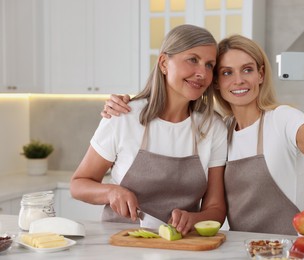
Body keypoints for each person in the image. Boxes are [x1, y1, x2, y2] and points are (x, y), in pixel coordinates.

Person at [101, 35, 304, 235]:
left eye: (247, 70)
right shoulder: (220, 130)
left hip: (287, 249)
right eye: (227, 72)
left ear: (260, 74)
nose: (238, 80)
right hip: (242, 249)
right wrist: (126, 103)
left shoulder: (281, 118)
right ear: (216, 82)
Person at [70, 24, 228, 236]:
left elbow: (216, 209)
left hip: (182, 245)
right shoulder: (124, 116)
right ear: (164, 63)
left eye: (209, 65)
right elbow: (78, 184)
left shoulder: (212, 127)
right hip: (120, 244)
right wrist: (111, 192)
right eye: (193, 59)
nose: (202, 73)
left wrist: (195, 218)